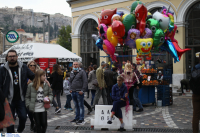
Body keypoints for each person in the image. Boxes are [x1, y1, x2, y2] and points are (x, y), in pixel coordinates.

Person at [0, 49, 35, 133]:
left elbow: (33, 76)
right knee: (10, 123)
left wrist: (43, 81)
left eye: (13, 56)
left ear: (17, 57)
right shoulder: (2, 69)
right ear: (7, 58)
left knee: (23, 117)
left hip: (21, 99)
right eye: (10, 56)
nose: (12, 58)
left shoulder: (23, 67)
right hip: (8, 100)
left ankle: (19, 131)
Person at [26, 60, 40, 131]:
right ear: (28, 66)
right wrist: (28, 83)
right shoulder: (25, 73)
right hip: (28, 95)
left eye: (33, 65)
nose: (32, 67)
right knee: (29, 111)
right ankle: (32, 122)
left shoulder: (38, 74)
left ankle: (36, 124)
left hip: (37, 95)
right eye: (30, 65)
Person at [190, 54, 200, 133]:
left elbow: (191, 81)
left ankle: (195, 132)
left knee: (196, 114)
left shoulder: (194, 68)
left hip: (196, 94)